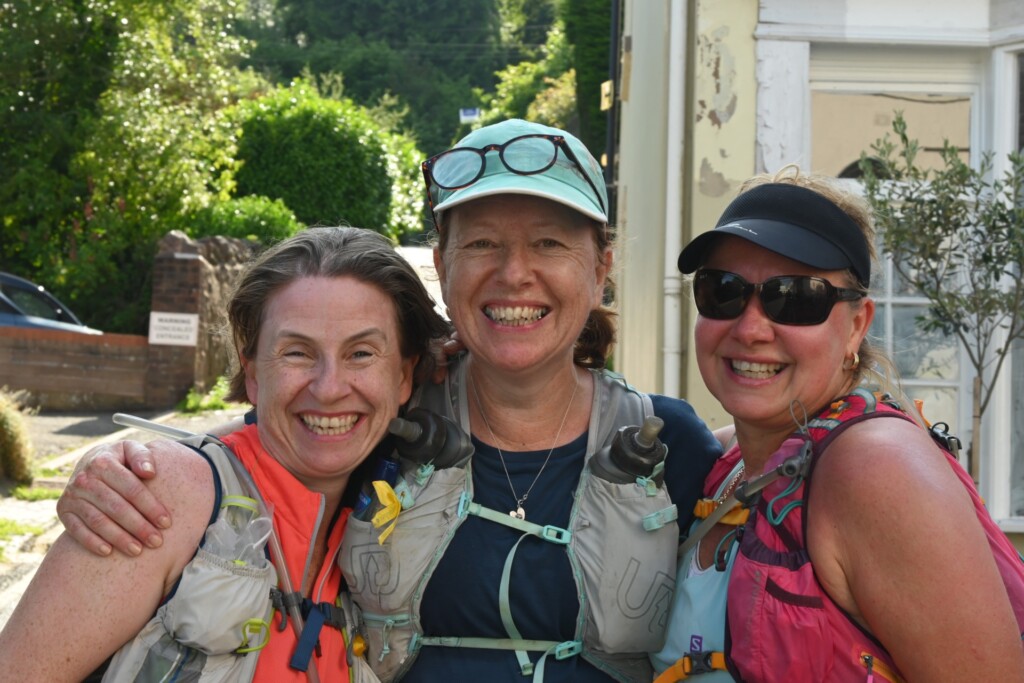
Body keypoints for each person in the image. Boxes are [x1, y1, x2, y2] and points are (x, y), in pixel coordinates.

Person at [54, 119, 722, 682]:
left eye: (548, 243)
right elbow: (249, 453)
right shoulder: (380, 419)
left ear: (601, 265)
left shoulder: (671, 444)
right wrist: (127, 468)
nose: (514, 272)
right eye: (483, 243)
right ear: (444, 262)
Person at [0, 227, 450, 682]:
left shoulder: (376, 532)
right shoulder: (164, 496)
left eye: (361, 353)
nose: (329, 387)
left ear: (403, 377)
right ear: (252, 373)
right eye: (297, 352)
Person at [652, 169, 1024, 682]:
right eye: (724, 291)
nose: (752, 327)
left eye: (796, 297)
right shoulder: (725, 464)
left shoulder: (876, 468)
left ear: (856, 325)